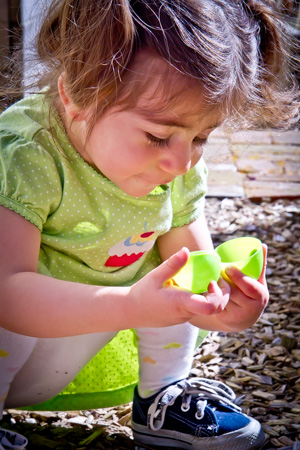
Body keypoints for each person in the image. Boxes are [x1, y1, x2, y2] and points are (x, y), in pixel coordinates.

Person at [0, 0, 298, 449]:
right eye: (159, 135)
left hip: (75, 348)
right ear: (76, 96)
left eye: (200, 137)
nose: (181, 162)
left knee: (180, 274)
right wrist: (131, 304)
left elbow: (199, 269)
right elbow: (7, 293)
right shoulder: (25, 155)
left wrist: (225, 309)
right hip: (18, 334)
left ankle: (162, 396)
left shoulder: (174, 168)